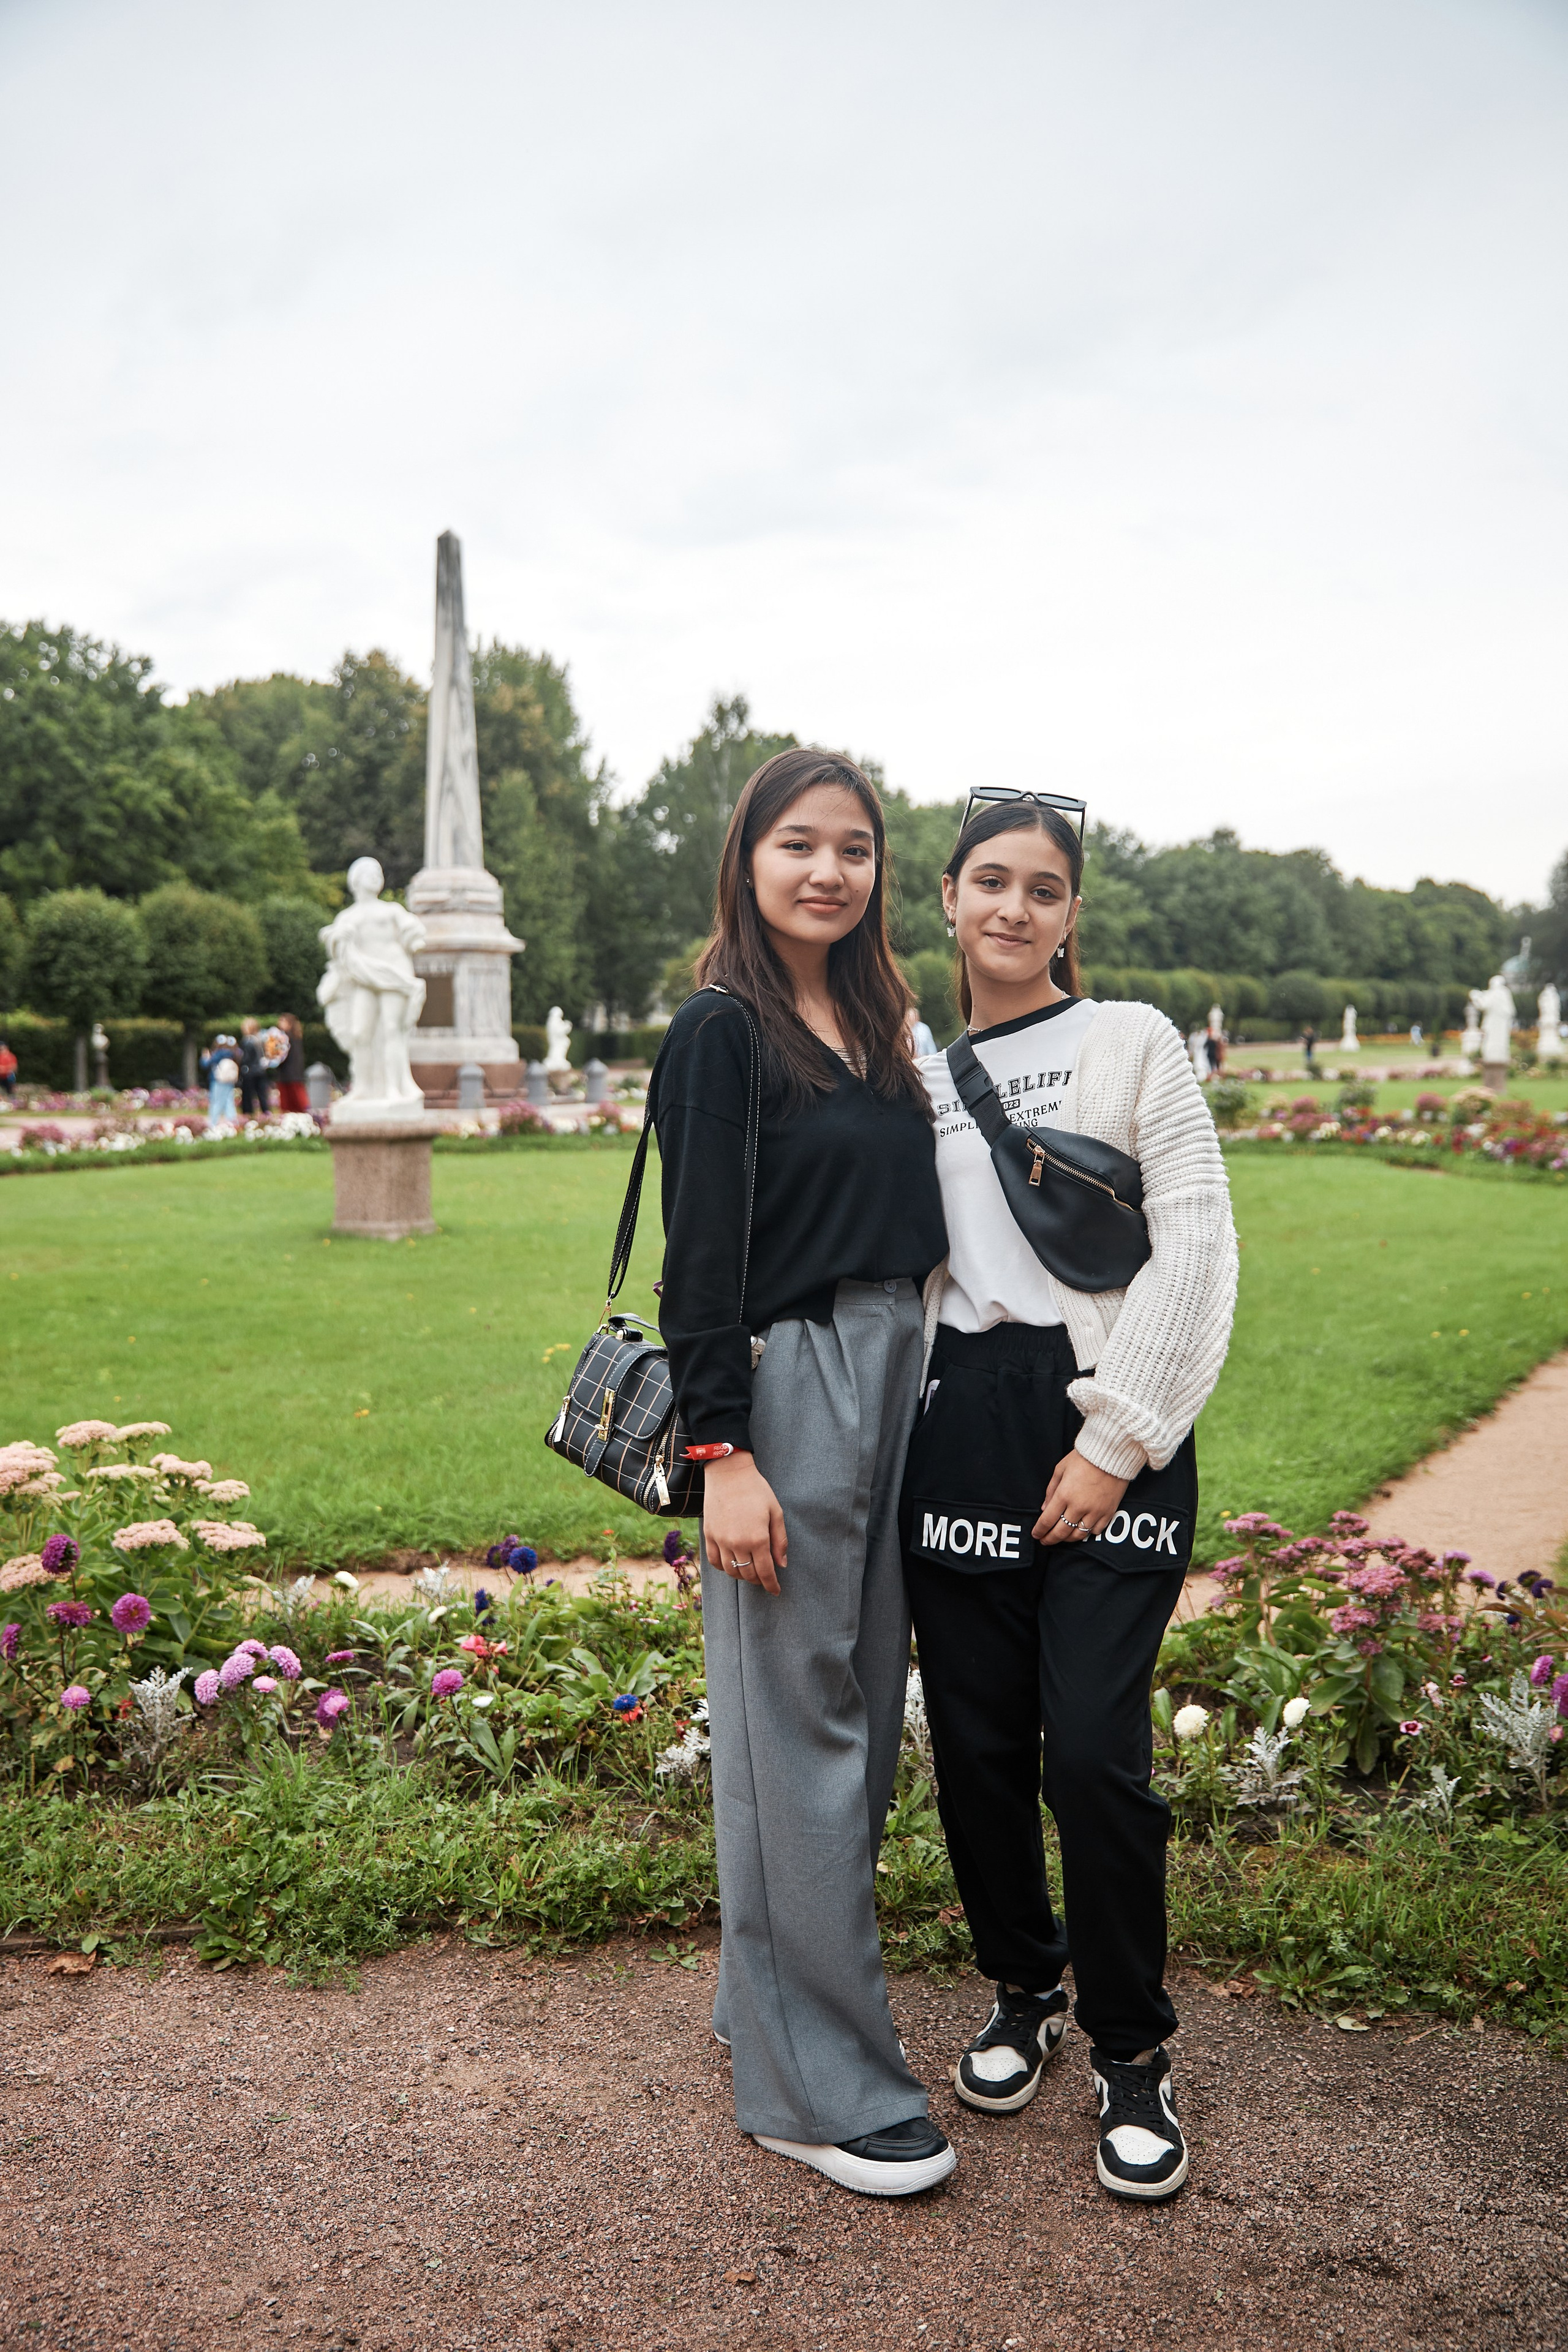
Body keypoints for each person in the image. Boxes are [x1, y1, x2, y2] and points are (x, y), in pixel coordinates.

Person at [901, 792, 1237, 2204]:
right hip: (959, 1425)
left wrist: (1117, 1439)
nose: (1013, 909)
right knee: (975, 1750)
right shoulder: (910, 1070)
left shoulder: (1131, 1040)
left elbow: (1196, 1242)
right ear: (946, 894)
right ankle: (1018, 1984)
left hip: (1105, 1411)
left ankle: (1130, 2046)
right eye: (990, 880)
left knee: (1090, 1752)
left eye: (1043, 888)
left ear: (1070, 912)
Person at [652, 747, 953, 2199]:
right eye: (798, 843)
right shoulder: (722, 1029)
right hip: (793, 1380)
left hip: (896, 1366)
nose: (828, 869)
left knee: (845, 1716)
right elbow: (698, 1254)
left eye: (853, 846)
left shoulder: (879, 1018)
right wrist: (724, 1452)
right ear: (747, 858)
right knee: (804, 1732)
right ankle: (812, 2086)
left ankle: (758, 2003)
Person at [273, 1014, 309, 1114]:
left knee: (291, 1101)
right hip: (292, 1073)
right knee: (296, 1102)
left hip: (289, 1073)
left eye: (283, 1022)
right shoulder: (296, 1037)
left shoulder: (285, 1038)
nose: (280, 1024)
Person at [202, 1036, 239, 1126]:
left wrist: (205, 1057)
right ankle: (233, 1123)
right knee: (229, 1101)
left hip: (218, 1080)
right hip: (229, 1080)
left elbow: (205, 1065)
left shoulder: (218, 1054)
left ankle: (213, 1124)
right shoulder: (233, 1053)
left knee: (216, 1102)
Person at [237, 1018, 270, 1117]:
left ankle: (248, 1115)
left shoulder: (247, 1041)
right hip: (260, 1071)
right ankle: (266, 1113)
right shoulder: (260, 1039)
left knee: (247, 1095)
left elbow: (245, 1058)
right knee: (262, 1094)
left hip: (249, 1071)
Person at [0, 1040, 16, 1104]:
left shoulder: (11, 1056)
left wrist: (4, 1069)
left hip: (8, 1077)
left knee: (10, 1091)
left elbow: (14, 1067)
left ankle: (13, 1103)